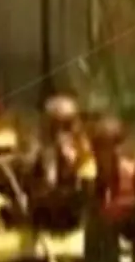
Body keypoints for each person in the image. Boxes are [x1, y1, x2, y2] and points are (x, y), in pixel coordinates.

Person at [21, 93, 90, 231]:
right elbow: (39, 187)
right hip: (46, 222)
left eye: (69, 124)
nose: (63, 132)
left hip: (79, 221)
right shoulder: (36, 154)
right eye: (56, 126)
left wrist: (75, 164)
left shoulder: (86, 148)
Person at [86, 115, 135, 242]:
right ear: (95, 149)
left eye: (118, 143)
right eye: (106, 146)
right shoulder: (88, 178)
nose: (115, 151)